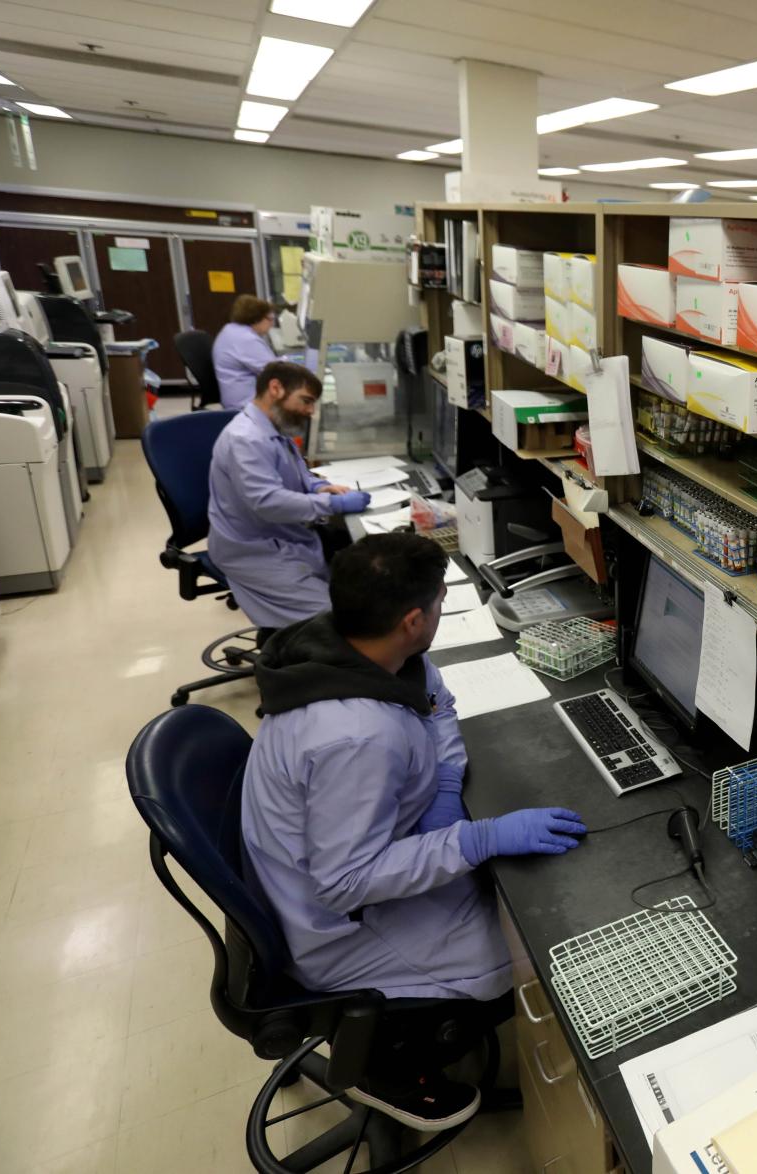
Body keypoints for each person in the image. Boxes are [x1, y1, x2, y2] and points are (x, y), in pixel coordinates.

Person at [240, 533, 586, 1121]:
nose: (443, 606)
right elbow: (344, 882)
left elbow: (436, 703)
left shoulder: (351, 646)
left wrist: (447, 781)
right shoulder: (353, 737)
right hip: (341, 924)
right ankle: (388, 1065)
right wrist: (474, 839)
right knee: (527, 953)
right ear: (411, 619)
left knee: (496, 894)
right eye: (439, 601)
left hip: (355, 850)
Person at [208, 362, 373, 629]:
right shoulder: (246, 439)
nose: (310, 411)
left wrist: (317, 487)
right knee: (333, 621)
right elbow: (268, 501)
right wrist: (333, 503)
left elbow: (297, 474)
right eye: (306, 401)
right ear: (276, 388)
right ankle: (299, 665)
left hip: (282, 537)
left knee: (359, 592)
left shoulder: (273, 431)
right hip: (252, 551)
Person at [214, 294, 281, 410]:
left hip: (236, 397)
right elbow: (274, 372)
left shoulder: (231, 329)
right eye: (270, 319)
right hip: (245, 404)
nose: (272, 324)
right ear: (256, 319)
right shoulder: (246, 339)